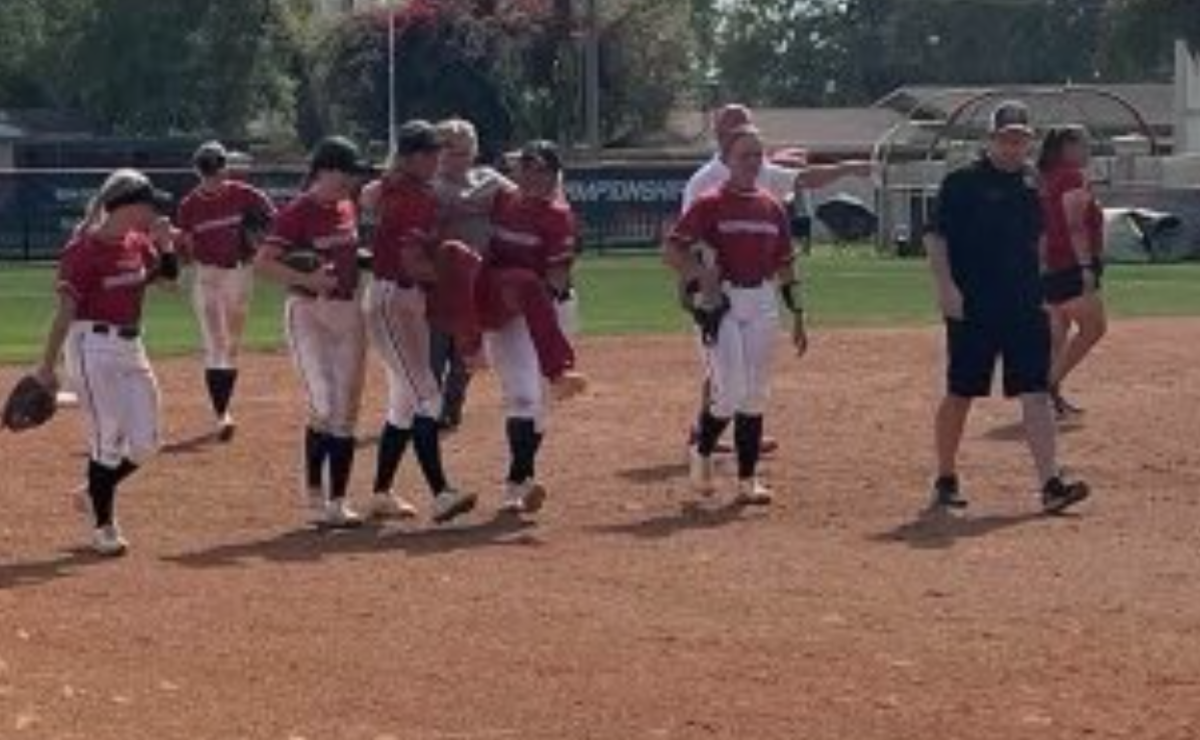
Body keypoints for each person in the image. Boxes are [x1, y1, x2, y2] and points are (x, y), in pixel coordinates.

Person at [926, 101, 1090, 515]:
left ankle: (1051, 482)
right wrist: (946, 288)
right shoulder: (961, 183)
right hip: (973, 305)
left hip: (1023, 303)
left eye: (1021, 139)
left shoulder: (1033, 185)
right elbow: (936, 238)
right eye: (1007, 138)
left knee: (1035, 391)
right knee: (961, 392)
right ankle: (945, 476)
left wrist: (1041, 289)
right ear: (991, 139)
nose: (1014, 146)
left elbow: (1036, 242)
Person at [680, 104, 872, 455]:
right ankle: (704, 431)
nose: (742, 136)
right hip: (717, 288)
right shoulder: (704, 181)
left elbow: (805, 178)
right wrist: (700, 287)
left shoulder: (761, 169)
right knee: (721, 366)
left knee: (751, 366)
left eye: (747, 128)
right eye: (733, 130)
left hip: (758, 287)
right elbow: (685, 242)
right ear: (721, 137)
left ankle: (738, 431)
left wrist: (851, 168)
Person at [33, 170, 179, 555]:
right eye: (150, 205)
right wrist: (46, 367)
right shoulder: (82, 251)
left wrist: (165, 247)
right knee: (107, 439)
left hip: (132, 348)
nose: (155, 212)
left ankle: (94, 490)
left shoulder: (139, 243)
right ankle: (103, 527)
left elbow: (169, 285)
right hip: (90, 348)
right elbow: (64, 312)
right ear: (130, 206)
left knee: (147, 442)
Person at [665, 125, 808, 505]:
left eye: (757, 155)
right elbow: (673, 251)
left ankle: (748, 481)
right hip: (723, 301)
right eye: (743, 155)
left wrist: (798, 314)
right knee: (729, 392)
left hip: (761, 299)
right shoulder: (709, 203)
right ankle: (702, 449)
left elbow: (785, 265)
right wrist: (699, 277)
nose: (751, 162)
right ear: (726, 161)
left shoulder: (772, 206)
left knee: (756, 394)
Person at [359, 120, 476, 524]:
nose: (436, 157)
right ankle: (441, 494)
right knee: (429, 395)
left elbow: (371, 195)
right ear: (409, 157)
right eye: (428, 152)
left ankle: (381, 494)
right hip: (393, 297)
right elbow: (410, 260)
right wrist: (453, 278)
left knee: (404, 403)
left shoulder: (407, 191)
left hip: (405, 298)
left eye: (437, 151)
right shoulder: (411, 198)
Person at [255, 136, 373, 529]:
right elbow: (264, 263)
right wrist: (306, 277)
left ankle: (336, 501)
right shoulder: (297, 212)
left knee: (346, 412)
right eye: (347, 172)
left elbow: (345, 251)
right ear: (325, 170)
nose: (352, 181)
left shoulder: (346, 206)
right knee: (323, 403)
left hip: (349, 311)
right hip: (309, 313)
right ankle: (313, 492)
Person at [476, 140, 584, 514]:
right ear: (517, 171)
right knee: (522, 396)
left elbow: (557, 275)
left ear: (556, 175)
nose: (536, 176)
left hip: (548, 309)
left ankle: (521, 477)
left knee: (539, 403)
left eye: (544, 170)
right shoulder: (501, 200)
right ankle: (516, 484)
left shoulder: (558, 216)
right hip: (508, 314)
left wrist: (543, 316)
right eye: (529, 167)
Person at [176, 141, 276, 440]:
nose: (214, 178)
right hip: (208, 276)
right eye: (207, 172)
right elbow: (187, 248)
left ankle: (223, 407)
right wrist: (182, 253)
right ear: (199, 172)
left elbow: (273, 222)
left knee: (231, 345)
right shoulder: (189, 206)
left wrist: (260, 240)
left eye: (217, 171)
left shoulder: (246, 195)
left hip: (240, 273)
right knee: (215, 343)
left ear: (225, 168)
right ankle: (222, 415)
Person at [429, 118, 512, 431]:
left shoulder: (488, 179)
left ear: (475, 151)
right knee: (434, 352)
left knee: (466, 349)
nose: (456, 158)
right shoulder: (427, 184)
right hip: (436, 279)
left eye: (464, 152)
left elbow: (526, 200)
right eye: (449, 151)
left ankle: (453, 404)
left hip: (476, 278)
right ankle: (430, 407)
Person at [1037, 125, 1107, 420]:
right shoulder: (1071, 176)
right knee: (1094, 328)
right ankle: (1048, 385)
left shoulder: (1047, 178)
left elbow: (1041, 230)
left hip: (1052, 266)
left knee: (1059, 333)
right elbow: (1075, 225)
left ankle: (1047, 398)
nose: (1087, 150)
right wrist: (1085, 266)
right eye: (1083, 144)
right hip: (1070, 265)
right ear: (1067, 146)